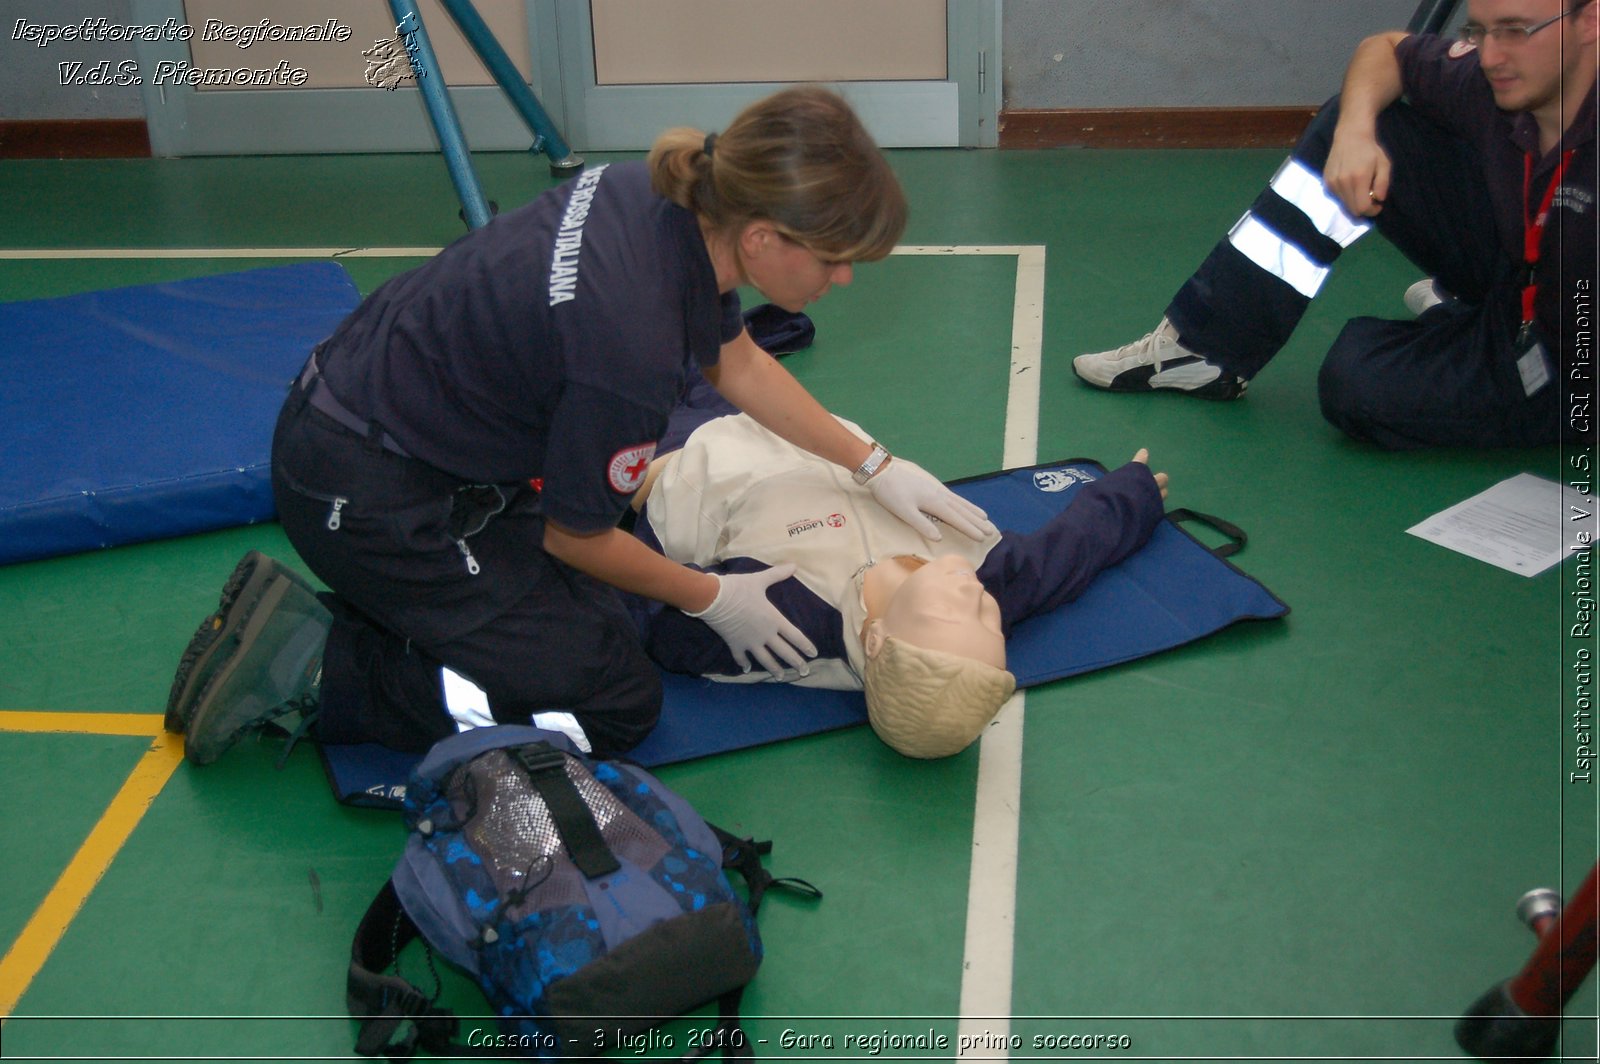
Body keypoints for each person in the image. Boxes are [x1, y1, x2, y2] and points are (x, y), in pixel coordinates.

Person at [163, 85, 997, 765]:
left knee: (604, 615)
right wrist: (716, 598)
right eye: (833, 257)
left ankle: (376, 614)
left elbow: (734, 361)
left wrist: (873, 463)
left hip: (377, 419)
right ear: (764, 235)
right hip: (370, 492)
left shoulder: (659, 196)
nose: (844, 279)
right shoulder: (628, 348)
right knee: (613, 700)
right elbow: (576, 536)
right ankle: (319, 669)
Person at [1071, 0, 1597, 450]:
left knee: (1356, 382)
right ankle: (1209, 346)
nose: (1492, 56)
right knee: (1366, 121)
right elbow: (1387, 50)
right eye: (1478, 31)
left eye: (1517, 30)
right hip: (1529, 271)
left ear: (1590, 20)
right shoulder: (1499, 74)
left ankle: (1479, 327)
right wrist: (1353, 131)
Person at [623, 379, 1170, 757]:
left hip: (671, 449)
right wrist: (1134, 492)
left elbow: (639, 614)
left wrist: (706, 599)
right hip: (789, 416)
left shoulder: (792, 627)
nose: (976, 598)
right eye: (991, 622)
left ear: (877, 639)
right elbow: (1072, 552)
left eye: (954, 616)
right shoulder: (988, 582)